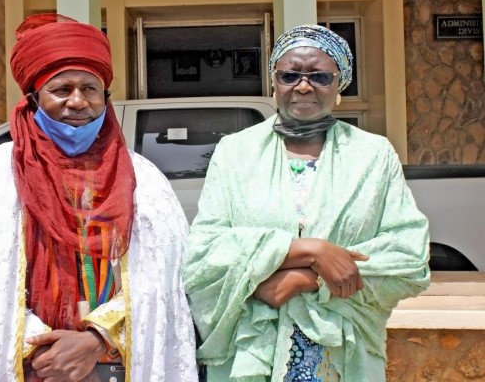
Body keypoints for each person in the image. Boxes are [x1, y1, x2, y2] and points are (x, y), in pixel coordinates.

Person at [0, 13, 198, 382]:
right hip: (30, 369)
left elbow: (168, 277)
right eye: (62, 89)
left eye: (89, 89)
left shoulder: (144, 179)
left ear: (104, 97)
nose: (77, 102)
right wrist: (43, 349)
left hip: (113, 364)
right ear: (33, 98)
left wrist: (95, 338)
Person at [182, 24, 430, 382]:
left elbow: (408, 258)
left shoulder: (373, 156)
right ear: (273, 83)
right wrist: (309, 250)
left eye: (319, 76)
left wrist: (306, 278)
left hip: (343, 350)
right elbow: (203, 255)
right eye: (290, 75)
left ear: (340, 85)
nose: (303, 85)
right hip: (252, 347)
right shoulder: (236, 153)